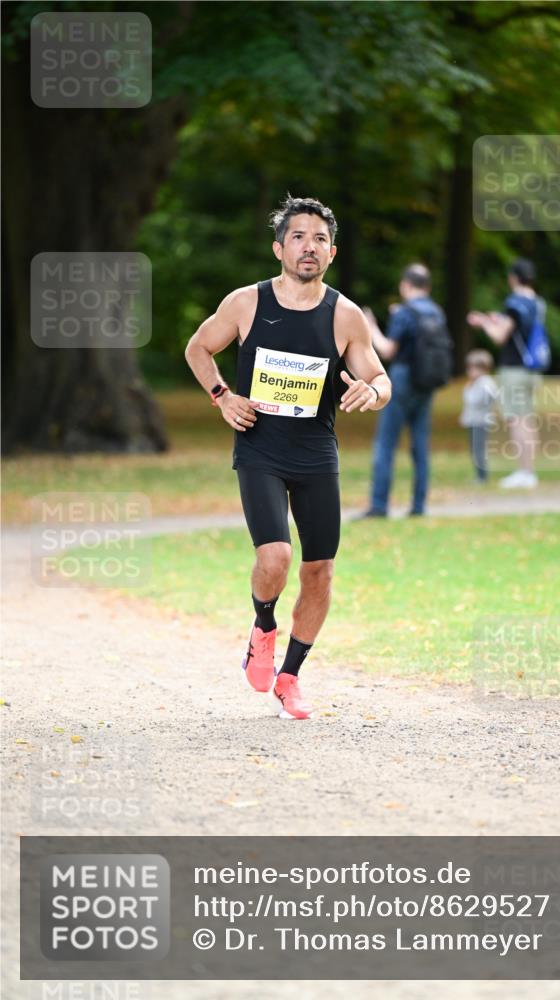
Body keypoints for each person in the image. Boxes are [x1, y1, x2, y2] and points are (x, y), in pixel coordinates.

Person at [185, 195, 391, 720]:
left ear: (333, 252)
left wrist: (375, 392)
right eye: (298, 236)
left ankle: (291, 676)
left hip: (317, 453)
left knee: (319, 570)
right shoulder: (246, 303)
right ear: (279, 248)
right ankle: (263, 623)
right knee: (274, 557)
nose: (309, 246)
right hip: (260, 447)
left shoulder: (344, 315)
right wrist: (222, 396)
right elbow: (198, 347)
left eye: (319, 239)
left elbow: (379, 377)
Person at [361, 264, 447, 517]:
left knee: (386, 443)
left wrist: (371, 326)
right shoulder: (436, 312)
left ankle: (379, 505)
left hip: (402, 378)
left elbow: (388, 350)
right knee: (420, 444)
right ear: (427, 287)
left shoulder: (405, 312)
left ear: (405, 285)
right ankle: (419, 506)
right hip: (427, 381)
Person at [467, 258, 544, 488]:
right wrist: (495, 319)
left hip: (514, 369)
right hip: (533, 369)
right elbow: (519, 327)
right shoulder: (538, 302)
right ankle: (529, 471)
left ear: (513, 277)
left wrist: (484, 324)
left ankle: (524, 473)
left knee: (516, 420)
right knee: (527, 419)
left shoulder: (514, 301)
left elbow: (500, 336)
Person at [459, 349, 498, 484]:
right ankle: (479, 474)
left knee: (478, 449)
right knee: (475, 449)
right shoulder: (476, 383)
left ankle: (482, 476)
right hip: (473, 421)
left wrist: (468, 389)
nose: (470, 372)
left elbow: (474, 401)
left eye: (473, 368)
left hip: (480, 422)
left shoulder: (485, 383)